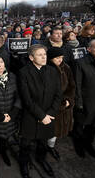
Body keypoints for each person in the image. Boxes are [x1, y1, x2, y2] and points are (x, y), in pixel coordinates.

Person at [18, 44, 62, 178]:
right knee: (26, 143)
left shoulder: (52, 70)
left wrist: (50, 113)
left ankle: (41, 159)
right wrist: (41, 115)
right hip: (31, 115)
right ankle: (24, 163)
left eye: (45, 54)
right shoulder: (23, 72)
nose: (44, 57)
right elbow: (27, 99)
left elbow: (58, 94)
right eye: (39, 54)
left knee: (43, 141)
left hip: (49, 114)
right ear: (31, 57)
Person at [45, 47, 76, 161]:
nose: (60, 60)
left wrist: (68, 100)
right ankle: (43, 148)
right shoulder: (46, 68)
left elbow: (71, 86)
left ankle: (50, 147)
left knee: (56, 131)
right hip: (50, 106)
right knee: (48, 130)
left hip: (64, 106)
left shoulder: (66, 67)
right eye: (57, 58)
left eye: (61, 57)